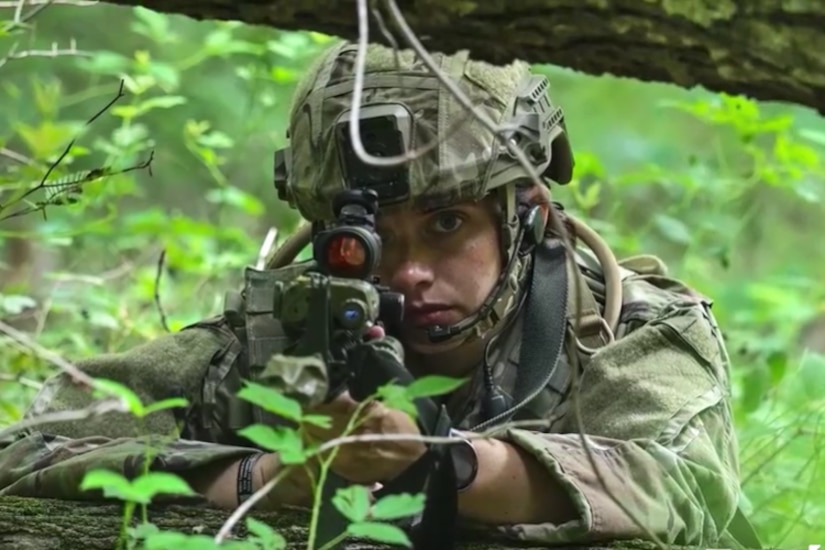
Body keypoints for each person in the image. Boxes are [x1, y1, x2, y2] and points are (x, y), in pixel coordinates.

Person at [0, 41, 761, 549]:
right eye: (367, 240)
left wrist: (447, 466)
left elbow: (684, 487)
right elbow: (29, 445)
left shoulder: (618, 327)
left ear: (521, 207)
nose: (405, 274)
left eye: (445, 223)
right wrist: (261, 479)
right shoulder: (284, 330)